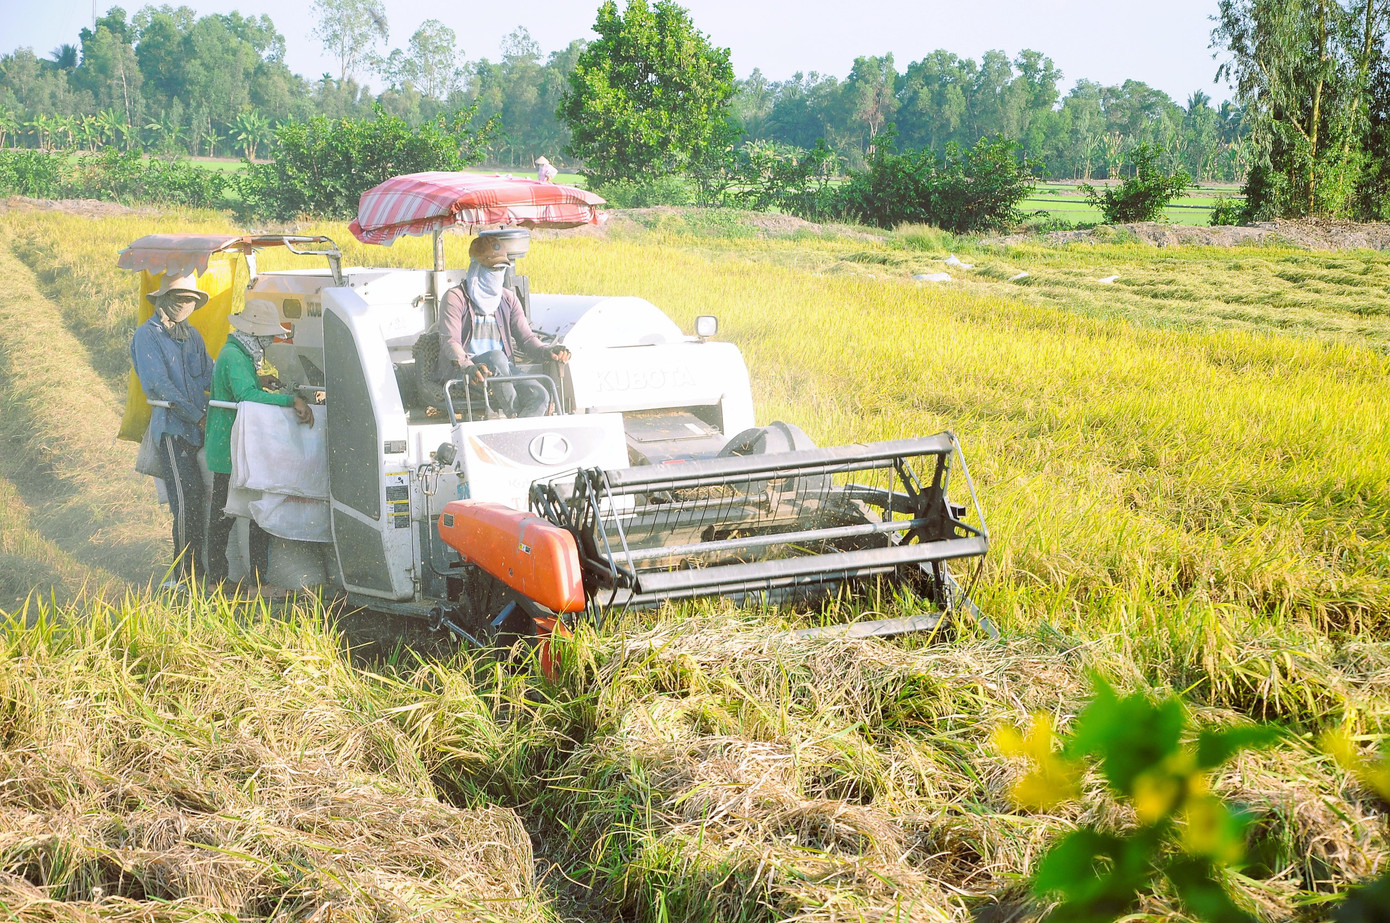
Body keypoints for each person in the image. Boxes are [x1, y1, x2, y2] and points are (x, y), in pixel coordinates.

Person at [204, 299, 314, 591]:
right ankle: (218, 578)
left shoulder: (239, 353)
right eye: (266, 336)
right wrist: (290, 400)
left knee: (251, 512)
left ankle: (253, 578)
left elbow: (245, 386)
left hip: (240, 447)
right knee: (225, 514)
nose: (269, 341)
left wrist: (261, 378)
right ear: (254, 334)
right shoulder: (233, 356)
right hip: (230, 447)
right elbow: (247, 396)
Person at [130, 272, 213, 586]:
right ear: (163, 299)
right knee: (185, 502)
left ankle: (199, 570)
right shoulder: (146, 335)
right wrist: (197, 415)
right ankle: (184, 575)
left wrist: (252, 382)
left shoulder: (192, 337)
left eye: (190, 300)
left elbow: (209, 375)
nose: (185, 305)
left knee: (200, 501)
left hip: (197, 431)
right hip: (172, 432)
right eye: (179, 298)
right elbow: (158, 386)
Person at [435, 235, 569, 418]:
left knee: (540, 396)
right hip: (468, 373)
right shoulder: (455, 297)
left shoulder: (508, 299)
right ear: (475, 266)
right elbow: (451, 341)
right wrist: (467, 366)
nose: (496, 274)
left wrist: (547, 351)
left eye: (501, 269)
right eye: (491, 269)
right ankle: (513, 415)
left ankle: (519, 436)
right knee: (497, 357)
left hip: (503, 370)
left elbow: (527, 338)